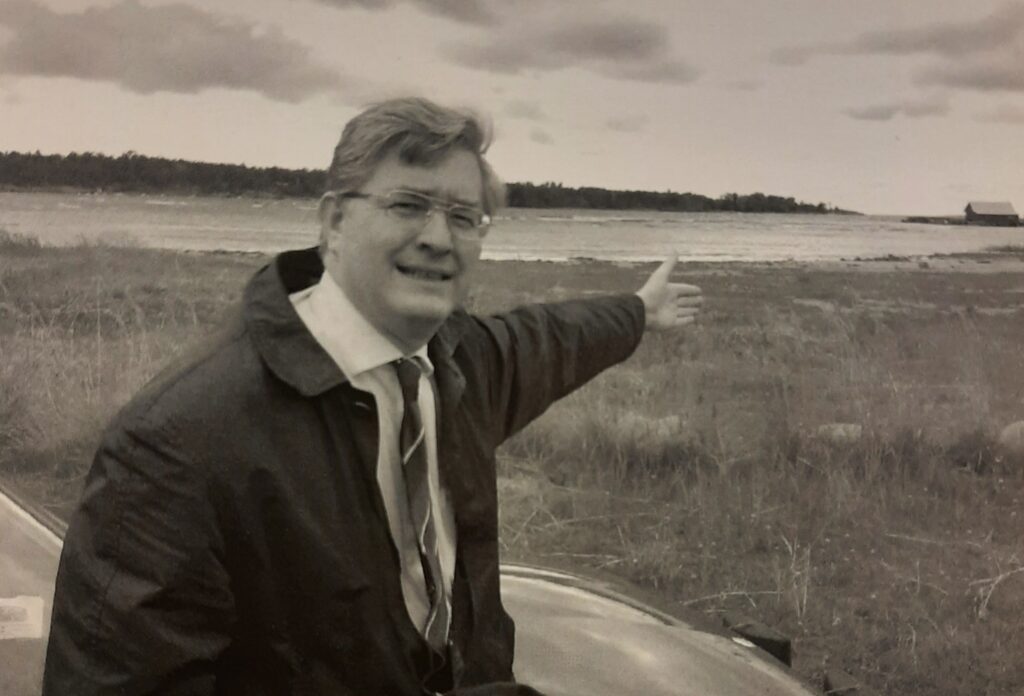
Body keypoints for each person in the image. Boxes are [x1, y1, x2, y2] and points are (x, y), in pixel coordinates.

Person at [42, 97, 702, 695]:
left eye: (463, 217)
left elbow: (550, 339)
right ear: (334, 221)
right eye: (408, 205)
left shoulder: (457, 365)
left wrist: (638, 312)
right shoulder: (180, 443)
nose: (439, 238)